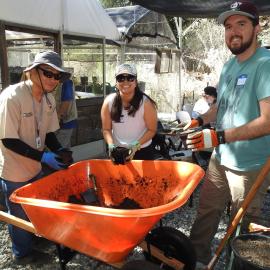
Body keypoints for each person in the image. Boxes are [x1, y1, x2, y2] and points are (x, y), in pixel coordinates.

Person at [181, 2, 270, 268]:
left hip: (249, 166)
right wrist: (200, 119)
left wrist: (219, 137)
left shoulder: (264, 65)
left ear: (256, 27)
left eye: (241, 24)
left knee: (242, 227)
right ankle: (195, 259)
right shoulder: (229, 65)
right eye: (228, 26)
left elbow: (268, 121)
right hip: (220, 159)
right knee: (207, 211)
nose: (233, 31)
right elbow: (221, 105)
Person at [0, 51, 73, 264]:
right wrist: (43, 157)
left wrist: (59, 150)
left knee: (37, 207)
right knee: (19, 213)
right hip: (14, 169)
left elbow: (49, 133)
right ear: (32, 72)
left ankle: (34, 237)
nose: (53, 79)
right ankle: (22, 254)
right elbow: (8, 140)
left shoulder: (48, 100)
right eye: (47, 73)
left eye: (57, 76)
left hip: (35, 166)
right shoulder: (12, 97)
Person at [101, 63, 162, 164]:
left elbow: (152, 130)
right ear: (116, 82)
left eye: (130, 78)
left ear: (136, 82)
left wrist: (135, 146)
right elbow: (106, 129)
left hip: (142, 150)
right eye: (121, 78)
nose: (125, 81)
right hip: (118, 151)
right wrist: (111, 146)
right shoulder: (108, 102)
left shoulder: (146, 103)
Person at [55, 78, 78, 149]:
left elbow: (66, 102)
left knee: (58, 150)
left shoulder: (66, 82)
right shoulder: (55, 81)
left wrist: (57, 119)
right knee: (66, 149)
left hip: (65, 122)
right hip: (60, 121)